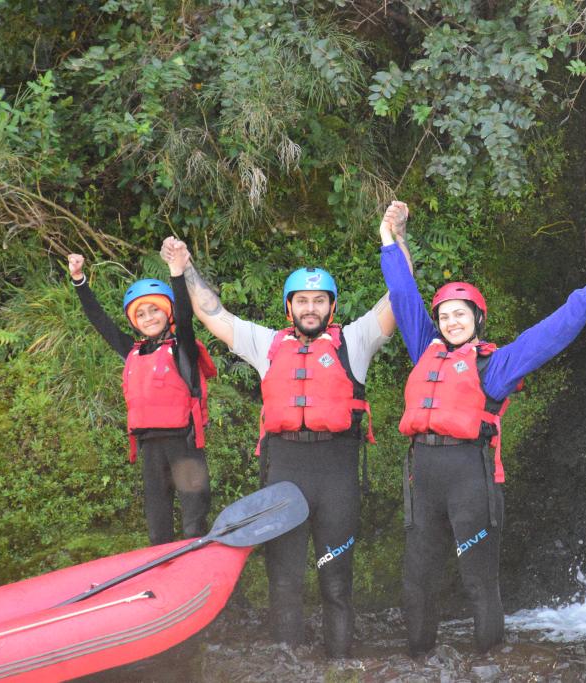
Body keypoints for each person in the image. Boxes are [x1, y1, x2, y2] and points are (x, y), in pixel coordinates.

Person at [164, 202, 411, 658]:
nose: (311, 308)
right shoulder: (265, 344)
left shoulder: (354, 341)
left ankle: (338, 662)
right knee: (284, 575)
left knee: (336, 576)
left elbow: (400, 296)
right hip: (284, 468)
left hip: (336, 472)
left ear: (331, 307)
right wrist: (184, 268)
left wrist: (396, 236)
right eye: (302, 300)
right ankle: (287, 660)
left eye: (319, 301)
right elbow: (210, 312)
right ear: (289, 306)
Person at [379, 209, 586, 656]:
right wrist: (389, 238)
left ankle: (490, 661)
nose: (452, 321)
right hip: (424, 478)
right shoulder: (423, 349)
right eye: (446, 315)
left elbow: (548, 336)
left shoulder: (494, 365)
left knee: (478, 578)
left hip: (471, 479)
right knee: (417, 577)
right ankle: (418, 658)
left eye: (461, 314)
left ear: (477, 319)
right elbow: (402, 295)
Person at [67, 252, 215, 546]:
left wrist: (175, 272)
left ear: (167, 313)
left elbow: (185, 317)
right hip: (150, 444)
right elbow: (101, 323)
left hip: (183, 443)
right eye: (141, 314)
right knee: (158, 523)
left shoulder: (181, 347)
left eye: (154, 310)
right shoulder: (132, 351)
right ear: (134, 321)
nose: (149, 318)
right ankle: (162, 572)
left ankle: (200, 561)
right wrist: (79, 281)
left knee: (193, 519)